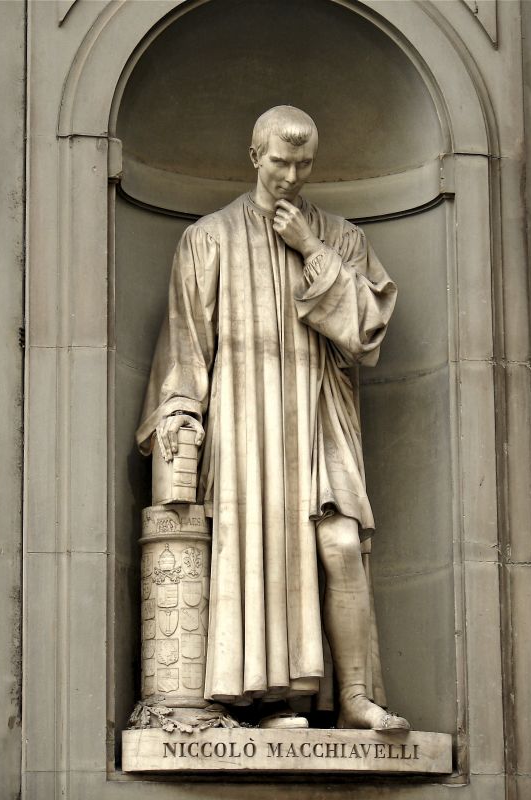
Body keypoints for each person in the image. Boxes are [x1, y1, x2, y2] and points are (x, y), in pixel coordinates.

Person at [136, 106, 409, 731]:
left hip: (319, 416)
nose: (291, 175)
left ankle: (357, 697)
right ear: (255, 157)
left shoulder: (340, 238)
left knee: (341, 545)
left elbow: (366, 332)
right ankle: (272, 702)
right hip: (244, 422)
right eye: (280, 161)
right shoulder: (210, 239)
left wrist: (309, 248)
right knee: (259, 553)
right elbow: (186, 348)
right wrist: (181, 415)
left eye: (304, 163)